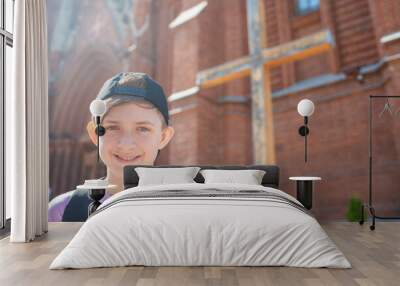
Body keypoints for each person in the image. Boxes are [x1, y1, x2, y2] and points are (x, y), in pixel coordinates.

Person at [48, 72, 175, 222]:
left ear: (163, 137)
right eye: (113, 128)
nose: (126, 144)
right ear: (95, 133)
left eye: (143, 129)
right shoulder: (63, 211)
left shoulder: (180, 211)